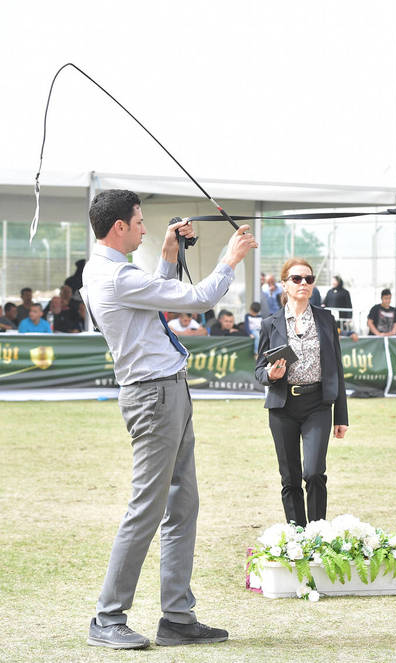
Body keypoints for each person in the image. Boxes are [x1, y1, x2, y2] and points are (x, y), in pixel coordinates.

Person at [81, 189, 255, 649]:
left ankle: (177, 618)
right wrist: (230, 257)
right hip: (154, 397)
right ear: (119, 226)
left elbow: (151, 302)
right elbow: (197, 299)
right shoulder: (116, 277)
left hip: (167, 392)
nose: (144, 228)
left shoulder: (109, 271)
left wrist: (168, 255)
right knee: (148, 508)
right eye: (139, 222)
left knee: (181, 506)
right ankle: (108, 617)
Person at [255, 259, 348, 528]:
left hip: (318, 404)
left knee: (314, 472)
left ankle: (318, 534)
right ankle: (297, 537)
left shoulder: (326, 319)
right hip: (282, 407)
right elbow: (259, 369)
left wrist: (341, 416)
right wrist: (270, 375)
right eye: (297, 279)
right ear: (284, 284)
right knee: (290, 478)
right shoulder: (270, 324)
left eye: (308, 279)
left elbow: (337, 369)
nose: (304, 284)